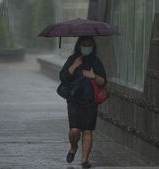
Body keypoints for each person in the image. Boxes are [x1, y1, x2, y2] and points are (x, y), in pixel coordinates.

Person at [59, 36, 107, 168]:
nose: (87, 47)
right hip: (74, 101)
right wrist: (74, 66)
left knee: (87, 130)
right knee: (74, 130)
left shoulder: (96, 61)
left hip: (90, 102)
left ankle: (84, 160)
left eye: (89, 44)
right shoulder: (72, 59)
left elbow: (103, 82)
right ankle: (73, 147)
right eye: (84, 44)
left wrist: (93, 76)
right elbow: (63, 77)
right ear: (79, 45)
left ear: (93, 46)